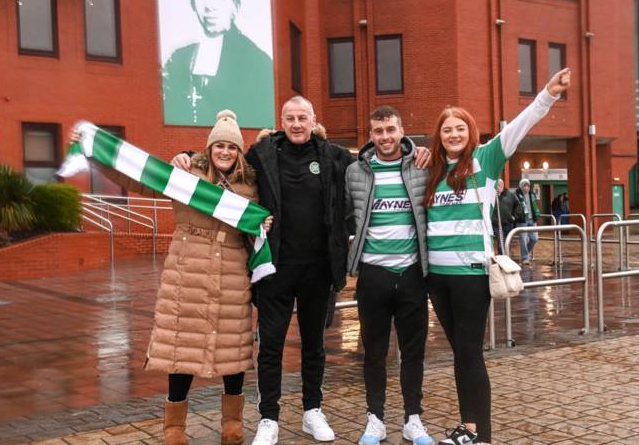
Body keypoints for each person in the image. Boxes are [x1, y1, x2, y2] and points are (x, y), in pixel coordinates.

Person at [172, 96, 374, 445]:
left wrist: (412, 151)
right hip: (274, 268)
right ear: (282, 121)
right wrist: (191, 157)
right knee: (271, 347)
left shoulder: (333, 156)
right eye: (290, 118)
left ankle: (313, 410)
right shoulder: (263, 154)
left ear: (313, 120)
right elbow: (226, 159)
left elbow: (371, 161)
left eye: (302, 118)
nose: (297, 124)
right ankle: (269, 418)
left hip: (319, 269)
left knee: (314, 345)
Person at [72, 111, 272, 445]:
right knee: (180, 349)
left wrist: (265, 224)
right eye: (219, 145)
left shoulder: (250, 184)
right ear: (209, 149)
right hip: (186, 271)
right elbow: (136, 179)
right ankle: (174, 428)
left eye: (232, 147)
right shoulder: (186, 174)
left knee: (233, 349)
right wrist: (93, 151)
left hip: (232, 272)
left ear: (239, 152)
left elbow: (269, 212)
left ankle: (232, 423)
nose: (225, 152)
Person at [424, 69, 570, 445]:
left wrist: (548, 95)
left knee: (470, 353)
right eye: (446, 130)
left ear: (470, 133)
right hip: (437, 278)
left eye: (459, 128)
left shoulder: (485, 160)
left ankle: (482, 436)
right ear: (439, 136)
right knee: (460, 354)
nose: (453, 134)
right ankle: (467, 428)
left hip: (471, 276)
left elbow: (521, 124)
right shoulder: (432, 171)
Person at [345, 106, 433, 445]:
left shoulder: (421, 167)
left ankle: (413, 419)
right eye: (378, 131)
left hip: (412, 274)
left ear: (401, 130)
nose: (385, 137)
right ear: (370, 136)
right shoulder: (354, 172)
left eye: (390, 130)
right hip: (373, 275)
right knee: (374, 353)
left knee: (413, 353)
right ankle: (375, 419)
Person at [162, 0, 275, 127]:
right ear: (192, 2)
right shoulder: (178, 60)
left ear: (235, 4)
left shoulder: (257, 62)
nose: (209, 5)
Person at [515, 178, 541, 265]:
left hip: (532, 220)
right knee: (523, 239)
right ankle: (525, 258)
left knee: (535, 238)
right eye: (524, 186)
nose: (526, 188)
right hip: (522, 221)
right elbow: (513, 207)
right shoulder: (517, 195)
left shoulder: (532, 194)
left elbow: (534, 206)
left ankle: (526, 253)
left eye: (528, 186)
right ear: (521, 187)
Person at [491, 179, 521, 255]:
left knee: (508, 242)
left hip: (508, 223)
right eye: (496, 186)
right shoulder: (491, 195)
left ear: (503, 186)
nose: (498, 187)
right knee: (500, 242)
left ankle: (507, 256)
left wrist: (514, 216)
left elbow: (518, 205)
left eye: (499, 186)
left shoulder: (510, 195)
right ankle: (502, 257)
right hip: (496, 224)